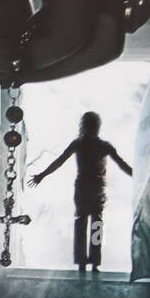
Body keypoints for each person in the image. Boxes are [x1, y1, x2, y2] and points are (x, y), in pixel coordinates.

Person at [28, 111, 134, 273]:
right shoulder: (104, 146)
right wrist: (139, 177)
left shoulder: (78, 144)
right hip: (97, 189)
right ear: (98, 126)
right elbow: (123, 165)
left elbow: (59, 161)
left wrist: (42, 175)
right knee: (97, 224)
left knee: (81, 223)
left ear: (83, 125)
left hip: (83, 189)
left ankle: (82, 262)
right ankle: (95, 262)